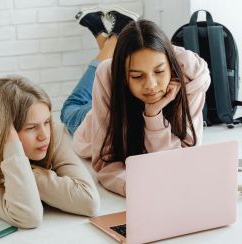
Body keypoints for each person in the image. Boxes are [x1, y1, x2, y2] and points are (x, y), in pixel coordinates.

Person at [0, 18, 100, 228]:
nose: (44, 135)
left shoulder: (52, 132)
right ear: (6, 132)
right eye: (31, 128)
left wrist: (16, 181)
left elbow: (89, 202)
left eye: (46, 122)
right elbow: (29, 217)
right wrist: (16, 180)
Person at [61, 8, 211, 196]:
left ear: (171, 66)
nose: (151, 85)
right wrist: (140, 189)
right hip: (102, 114)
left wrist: (154, 114)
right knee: (69, 108)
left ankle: (112, 40)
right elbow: (106, 165)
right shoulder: (108, 75)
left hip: (124, 86)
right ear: (124, 77)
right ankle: (114, 41)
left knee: (113, 66)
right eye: (137, 76)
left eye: (159, 72)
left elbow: (179, 160)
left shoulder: (190, 79)